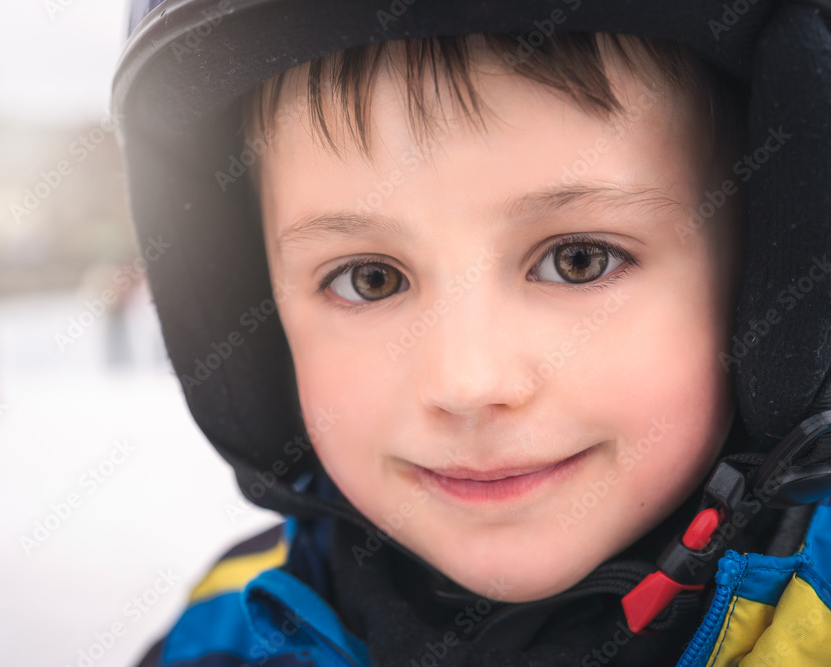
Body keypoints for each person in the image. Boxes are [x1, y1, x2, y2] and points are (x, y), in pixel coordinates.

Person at [112, 1, 831, 665]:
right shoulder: (218, 636)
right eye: (370, 278)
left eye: (578, 261)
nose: (467, 383)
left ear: (768, 274)